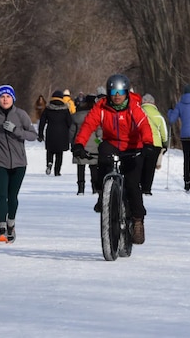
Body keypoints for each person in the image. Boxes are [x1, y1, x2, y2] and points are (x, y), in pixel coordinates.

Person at [72, 74, 155, 244]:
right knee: (103, 151)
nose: (117, 95)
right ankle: (103, 192)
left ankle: (138, 220)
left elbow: (143, 124)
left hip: (133, 146)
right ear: (109, 93)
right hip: (112, 143)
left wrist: (148, 143)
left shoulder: (134, 106)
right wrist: (79, 144)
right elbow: (88, 124)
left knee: (132, 184)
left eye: (120, 92)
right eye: (113, 92)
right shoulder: (102, 107)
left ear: (126, 92)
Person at [0, 85, 38, 242]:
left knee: (13, 196)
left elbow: (33, 135)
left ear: (13, 98)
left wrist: (16, 131)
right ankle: (2, 229)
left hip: (19, 162)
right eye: (2, 97)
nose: (5, 99)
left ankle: (11, 223)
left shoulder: (21, 115)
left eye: (8, 96)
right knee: (2, 195)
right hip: (0, 161)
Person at [69, 94, 101, 195]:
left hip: (80, 144)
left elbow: (72, 132)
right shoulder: (96, 116)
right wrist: (97, 143)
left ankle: (81, 188)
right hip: (93, 146)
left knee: (80, 167)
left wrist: (73, 143)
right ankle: (95, 188)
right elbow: (99, 133)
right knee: (94, 168)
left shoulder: (77, 116)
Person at [38, 90, 73, 176]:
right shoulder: (65, 109)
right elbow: (69, 122)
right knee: (59, 153)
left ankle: (49, 163)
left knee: (50, 150)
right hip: (62, 133)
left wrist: (40, 134)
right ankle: (57, 171)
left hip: (50, 132)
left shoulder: (48, 108)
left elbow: (42, 122)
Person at [140, 94, 169, 195]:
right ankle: (147, 189)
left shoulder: (139, 112)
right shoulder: (158, 115)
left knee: (140, 165)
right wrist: (165, 144)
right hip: (155, 144)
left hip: (141, 143)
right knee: (150, 167)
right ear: (153, 103)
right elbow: (164, 133)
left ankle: (138, 185)